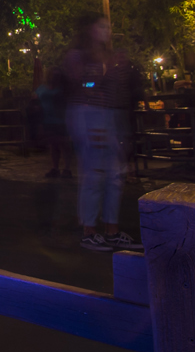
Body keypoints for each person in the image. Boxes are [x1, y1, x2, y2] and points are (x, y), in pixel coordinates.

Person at [62, 14, 141, 252]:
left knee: (115, 175)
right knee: (95, 173)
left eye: (109, 26)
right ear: (90, 29)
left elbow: (121, 91)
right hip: (88, 114)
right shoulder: (78, 56)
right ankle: (89, 231)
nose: (107, 30)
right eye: (102, 26)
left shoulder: (110, 57)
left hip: (109, 115)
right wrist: (106, 72)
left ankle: (112, 229)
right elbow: (81, 85)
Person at [36, 66, 72, 179]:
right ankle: (55, 167)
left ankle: (67, 168)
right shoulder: (43, 88)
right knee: (53, 144)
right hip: (47, 119)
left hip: (61, 119)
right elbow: (36, 99)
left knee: (63, 143)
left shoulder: (62, 89)